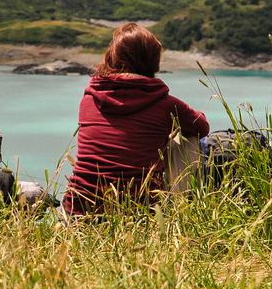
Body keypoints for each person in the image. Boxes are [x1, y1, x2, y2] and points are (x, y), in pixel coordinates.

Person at [62, 22, 210, 214]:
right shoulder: (166, 104)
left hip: (77, 210)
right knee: (188, 140)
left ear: (113, 57)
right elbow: (202, 127)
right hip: (136, 212)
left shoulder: (90, 98)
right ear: (152, 60)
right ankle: (181, 208)